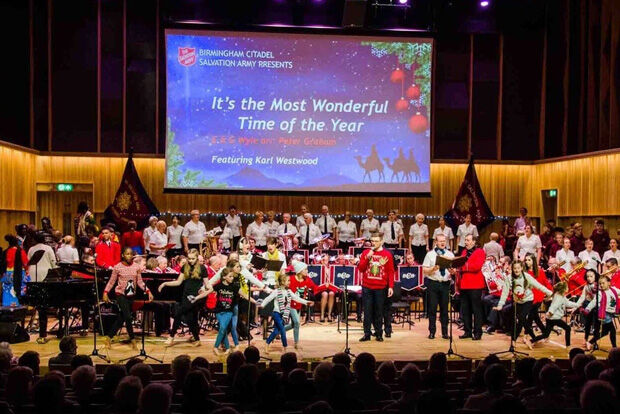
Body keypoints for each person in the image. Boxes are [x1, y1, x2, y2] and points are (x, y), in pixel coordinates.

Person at [494, 261, 552, 349]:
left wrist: (550, 293)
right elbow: (505, 293)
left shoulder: (527, 277)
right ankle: (517, 341)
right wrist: (500, 305)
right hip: (517, 302)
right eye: (514, 268)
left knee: (521, 318)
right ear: (512, 269)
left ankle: (521, 339)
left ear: (521, 268)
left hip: (528, 300)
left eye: (518, 268)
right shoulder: (509, 278)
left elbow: (539, 286)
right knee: (519, 322)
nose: (516, 270)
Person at [103, 247, 153, 348]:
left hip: (131, 296)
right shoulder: (117, 267)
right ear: (123, 255)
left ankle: (108, 337)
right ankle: (132, 339)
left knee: (122, 318)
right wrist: (105, 292)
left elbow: (139, 281)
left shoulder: (136, 267)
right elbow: (112, 281)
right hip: (121, 295)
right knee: (128, 317)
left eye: (131, 254)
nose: (129, 256)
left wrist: (148, 291)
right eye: (127, 254)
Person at [159, 249, 208, 347]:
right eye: (189, 258)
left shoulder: (202, 268)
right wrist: (165, 283)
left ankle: (171, 336)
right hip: (185, 296)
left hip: (195, 297)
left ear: (197, 258)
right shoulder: (185, 267)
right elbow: (178, 282)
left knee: (178, 314)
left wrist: (203, 290)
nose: (190, 261)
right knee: (190, 318)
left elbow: (207, 284)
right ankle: (197, 339)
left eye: (193, 259)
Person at [259, 272, 313, 353]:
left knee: (276, 331)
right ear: (283, 282)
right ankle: (285, 347)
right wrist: (263, 304)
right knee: (283, 331)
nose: (289, 282)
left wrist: (306, 302)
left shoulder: (289, 291)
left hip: (284, 314)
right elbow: (268, 298)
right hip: (277, 313)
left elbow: (296, 298)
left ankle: (267, 343)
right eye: (288, 281)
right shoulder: (277, 291)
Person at [357, 233, 394, 342]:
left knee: (379, 311)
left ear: (381, 242)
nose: (373, 243)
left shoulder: (387, 254)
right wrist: (367, 258)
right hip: (367, 286)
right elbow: (361, 269)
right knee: (367, 311)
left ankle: (379, 333)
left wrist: (391, 286)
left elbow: (391, 272)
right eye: (372, 241)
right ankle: (367, 334)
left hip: (381, 287)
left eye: (376, 241)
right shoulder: (365, 252)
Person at [422, 234, 454, 339]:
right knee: (432, 309)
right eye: (440, 241)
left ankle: (445, 332)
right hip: (433, 284)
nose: (443, 243)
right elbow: (424, 270)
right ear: (436, 242)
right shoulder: (430, 254)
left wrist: (453, 271)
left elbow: (454, 270)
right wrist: (432, 269)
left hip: (445, 284)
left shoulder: (450, 254)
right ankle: (432, 332)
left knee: (445, 309)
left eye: (444, 241)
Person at [532, 281, 577, 347]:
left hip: (551, 318)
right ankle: (568, 345)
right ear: (564, 289)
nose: (568, 288)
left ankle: (531, 341)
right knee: (567, 328)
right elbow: (554, 306)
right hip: (554, 318)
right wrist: (550, 313)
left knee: (546, 334)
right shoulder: (559, 297)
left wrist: (578, 305)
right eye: (567, 287)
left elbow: (567, 303)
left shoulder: (560, 296)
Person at [287, 260, 318, 349]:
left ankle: (278, 331)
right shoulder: (291, 279)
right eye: (305, 270)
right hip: (290, 304)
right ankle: (296, 342)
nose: (307, 271)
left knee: (293, 325)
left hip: (299, 304)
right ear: (300, 271)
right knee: (297, 322)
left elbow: (315, 288)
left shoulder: (307, 280)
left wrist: (326, 286)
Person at [585, 273, 620, 350]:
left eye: (603, 283)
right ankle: (614, 347)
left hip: (611, 313)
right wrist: (588, 308)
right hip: (604, 314)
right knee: (612, 330)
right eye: (600, 283)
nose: (601, 285)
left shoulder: (613, 290)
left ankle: (590, 342)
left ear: (609, 283)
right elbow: (594, 302)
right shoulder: (600, 293)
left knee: (604, 332)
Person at [0, 235, 29, 307]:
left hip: (7, 274)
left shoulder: (5, 251)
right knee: (17, 291)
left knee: (7, 291)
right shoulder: (21, 251)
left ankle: (6, 307)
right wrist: (27, 271)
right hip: (19, 274)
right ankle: (17, 308)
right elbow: (25, 263)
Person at [572, 269, 598, 345]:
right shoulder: (586, 286)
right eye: (587, 276)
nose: (589, 278)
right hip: (587, 304)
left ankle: (593, 341)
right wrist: (575, 306)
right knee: (587, 324)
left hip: (595, 306)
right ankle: (586, 339)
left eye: (591, 276)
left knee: (596, 325)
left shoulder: (598, 285)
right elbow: (582, 297)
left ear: (595, 276)